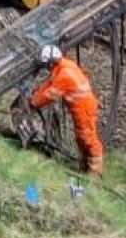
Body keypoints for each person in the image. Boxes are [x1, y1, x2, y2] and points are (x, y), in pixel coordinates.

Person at [27, 43, 102, 176]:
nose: (46, 67)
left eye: (47, 64)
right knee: (81, 138)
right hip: (82, 107)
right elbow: (49, 84)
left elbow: (51, 94)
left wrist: (34, 103)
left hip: (83, 109)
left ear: (51, 62)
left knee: (88, 138)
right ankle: (84, 168)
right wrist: (36, 95)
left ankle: (95, 172)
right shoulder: (63, 66)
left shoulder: (64, 75)